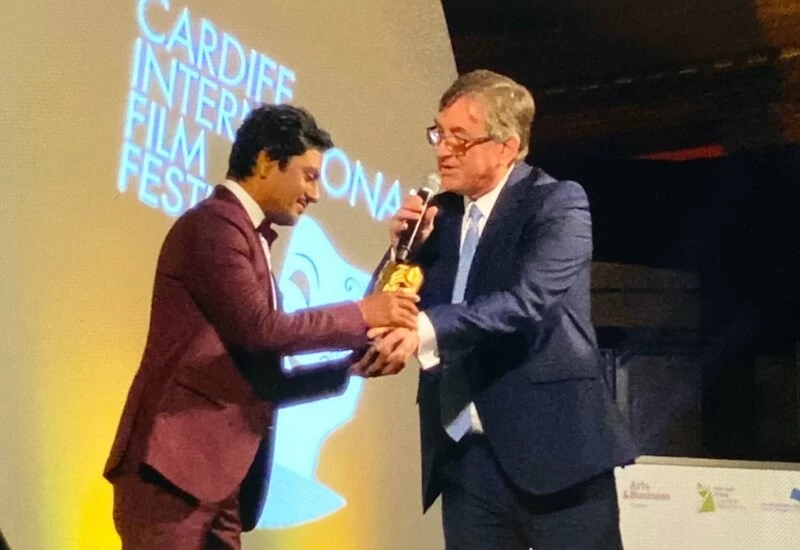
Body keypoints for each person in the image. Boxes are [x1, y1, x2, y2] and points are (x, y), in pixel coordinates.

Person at [104, 104, 419, 549]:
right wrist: (363, 313)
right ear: (268, 161)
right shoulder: (214, 225)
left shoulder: (247, 237)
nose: (316, 194)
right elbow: (262, 330)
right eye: (309, 176)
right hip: (172, 473)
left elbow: (261, 379)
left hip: (218, 481)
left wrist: (346, 368)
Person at [354, 70, 637, 549]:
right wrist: (401, 251)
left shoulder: (556, 203)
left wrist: (425, 329)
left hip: (556, 455)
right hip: (466, 460)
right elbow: (384, 309)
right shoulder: (438, 216)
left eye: (460, 139)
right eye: (438, 134)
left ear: (507, 147)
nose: (443, 151)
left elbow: (528, 301)